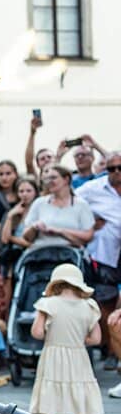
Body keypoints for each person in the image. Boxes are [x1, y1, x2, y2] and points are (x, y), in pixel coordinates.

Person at [29, 264, 103, 414]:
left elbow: (37, 333)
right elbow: (96, 338)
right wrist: (77, 341)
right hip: (78, 357)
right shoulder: (89, 306)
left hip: (54, 355)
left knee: (63, 407)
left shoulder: (48, 304)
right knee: (63, 404)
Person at [76, 153, 121, 370]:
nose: (116, 173)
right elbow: (70, 200)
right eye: (111, 169)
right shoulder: (93, 188)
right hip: (106, 254)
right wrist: (90, 222)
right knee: (107, 303)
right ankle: (111, 350)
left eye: (120, 168)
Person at [22, 165, 94, 252]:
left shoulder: (81, 205)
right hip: (41, 254)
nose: (49, 182)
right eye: (47, 179)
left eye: (53, 178)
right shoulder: (39, 203)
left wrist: (60, 232)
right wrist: (34, 227)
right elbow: (26, 237)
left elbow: (88, 236)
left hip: (69, 255)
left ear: (66, 179)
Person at [0, 175, 40, 272]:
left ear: (35, 192)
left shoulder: (40, 211)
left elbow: (32, 244)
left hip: (33, 257)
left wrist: (12, 238)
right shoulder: (15, 211)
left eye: (28, 191)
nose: (24, 194)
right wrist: (10, 216)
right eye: (21, 191)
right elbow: (5, 239)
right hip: (13, 258)